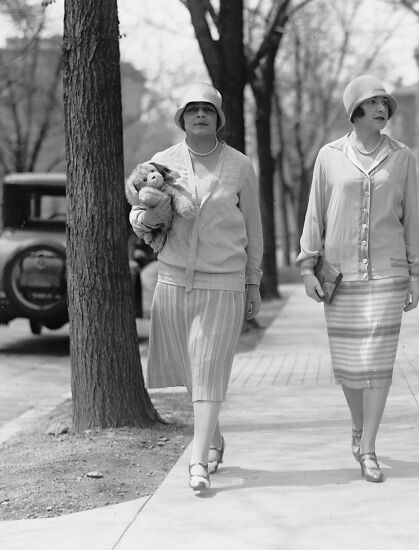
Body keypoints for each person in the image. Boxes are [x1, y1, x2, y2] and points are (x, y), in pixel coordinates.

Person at [129, 82, 263, 490]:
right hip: (172, 280)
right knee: (191, 371)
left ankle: (197, 459)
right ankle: (215, 437)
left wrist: (253, 281)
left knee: (209, 367)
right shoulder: (161, 162)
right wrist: (143, 220)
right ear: (181, 117)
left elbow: (254, 230)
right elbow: (140, 214)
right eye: (192, 109)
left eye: (207, 109)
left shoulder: (240, 165)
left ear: (218, 117)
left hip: (224, 281)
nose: (200, 115)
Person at [297, 74, 419, 483]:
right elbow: (315, 213)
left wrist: (415, 274)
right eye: (372, 102)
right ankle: (357, 423)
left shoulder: (403, 157)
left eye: (385, 102)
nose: (382, 108)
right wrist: (306, 264)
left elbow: (412, 220)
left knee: (378, 363)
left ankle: (368, 446)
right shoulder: (329, 156)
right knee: (349, 366)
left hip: (388, 274)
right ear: (355, 111)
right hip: (340, 274)